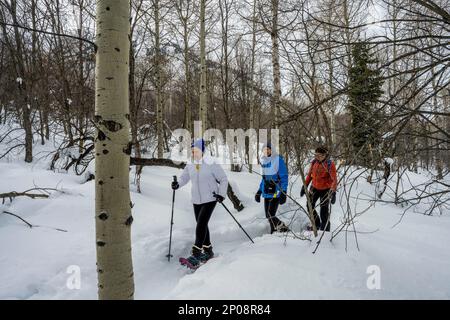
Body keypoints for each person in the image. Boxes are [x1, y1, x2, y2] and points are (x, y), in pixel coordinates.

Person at [171, 138, 228, 268]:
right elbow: (184, 177)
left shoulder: (211, 162)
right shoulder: (190, 163)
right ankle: (208, 251)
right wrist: (177, 184)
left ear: (202, 150)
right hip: (196, 199)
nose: (194, 153)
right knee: (202, 224)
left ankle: (196, 254)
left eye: (196, 150)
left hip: (210, 198)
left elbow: (223, 179)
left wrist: (221, 194)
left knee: (201, 223)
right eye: (192, 151)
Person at [254, 143, 289, 234]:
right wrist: (259, 191)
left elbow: (284, 177)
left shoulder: (278, 160)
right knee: (268, 215)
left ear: (272, 149)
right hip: (266, 191)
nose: (266, 151)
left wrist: (284, 192)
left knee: (270, 214)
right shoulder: (264, 161)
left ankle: (283, 227)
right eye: (264, 149)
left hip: (276, 191)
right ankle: (273, 231)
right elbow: (264, 178)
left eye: (268, 149)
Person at [300, 146, 337, 232]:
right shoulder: (314, 163)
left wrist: (333, 192)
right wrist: (304, 186)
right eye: (316, 155)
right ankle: (316, 225)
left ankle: (325, 230)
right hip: (314, 188)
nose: (318, 157)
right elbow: (310, 175)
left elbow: (334, 179)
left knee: (323, 210)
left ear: (325, 155)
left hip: (326, 189)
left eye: (320, 155)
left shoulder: (329, 164)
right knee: (309, 206)